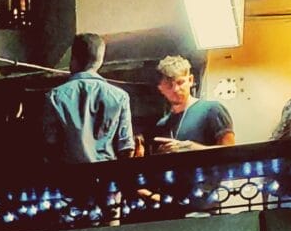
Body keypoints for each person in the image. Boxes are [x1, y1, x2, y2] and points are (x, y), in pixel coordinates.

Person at [43, 33, 134, 164]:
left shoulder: (54, 96)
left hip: (69, 179)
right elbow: (126, 148)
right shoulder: (120, 97)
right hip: (107, 178)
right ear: (100, 60)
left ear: (73, 58)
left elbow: (50, 145)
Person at [150, 55, 234, 153]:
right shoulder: (162, 125)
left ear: (190, 80)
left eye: (180, 82)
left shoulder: (212, 110)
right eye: (169, 85)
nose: (176, 89)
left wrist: (191, 148)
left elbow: (230, 152)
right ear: (160, 89)